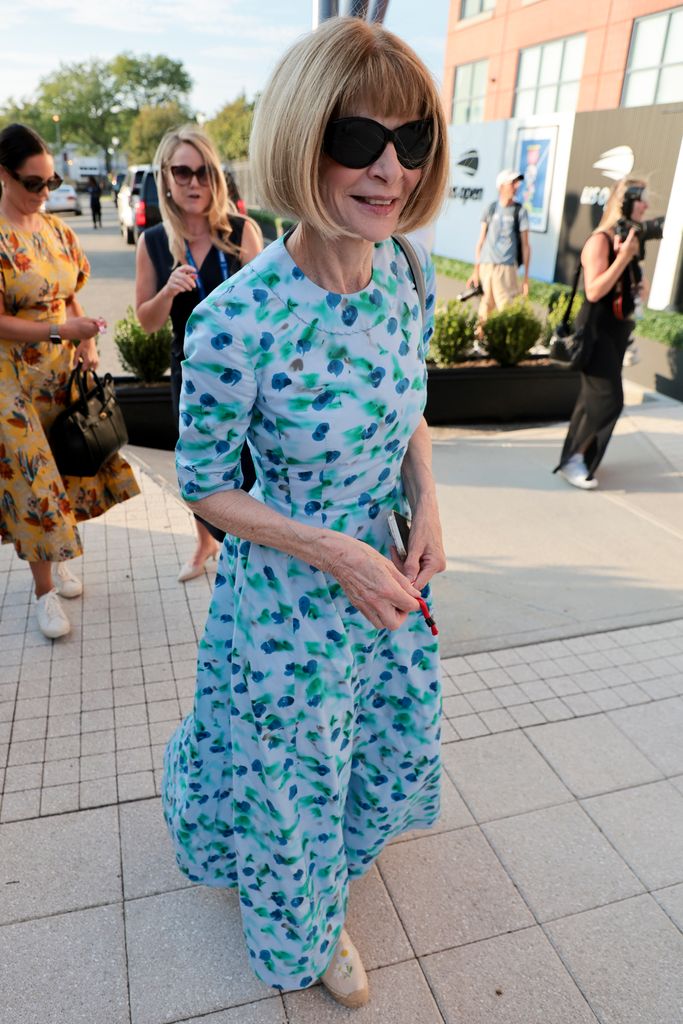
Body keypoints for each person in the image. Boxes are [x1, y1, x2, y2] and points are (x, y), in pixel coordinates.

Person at [162, 16, 448, 1009]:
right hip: (288, 599)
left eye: (408, 142)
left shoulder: (407, 274)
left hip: (383, 575)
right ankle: (307, 923)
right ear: (300, 138)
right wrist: (334, 550)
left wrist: (427, 506)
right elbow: (200, 483)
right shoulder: (235, 319)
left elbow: (409, 399)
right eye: (355, 140)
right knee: (292, 786)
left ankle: (329, 874)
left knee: (382, 741)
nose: (387, 169)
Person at [0, 123, 139, 638]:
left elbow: (73, 290)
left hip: (61, 373)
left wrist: (85, 341)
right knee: (34, 479)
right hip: (12, 379)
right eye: (32, 183)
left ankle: (59, 561)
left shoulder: (57, 230)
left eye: (50, 183)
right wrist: (61, 328)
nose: (42, 193)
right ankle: (44, 593)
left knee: (69, 466)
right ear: (3, 175)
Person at [135, 125, 262, 581]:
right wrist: (168, 292)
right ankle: (206, 541)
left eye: (205, 172)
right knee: (199, 469)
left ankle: (249, 554)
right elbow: (146, 321)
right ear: (166, 177)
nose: (194, 183)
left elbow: (269, 315)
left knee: (248, 468)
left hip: (248, 376)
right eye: (183, 172)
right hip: (190, 375)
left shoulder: (242, 232)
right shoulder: (152, 242)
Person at [555, 178, 647, 490]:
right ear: (625, 203)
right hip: (595, 331)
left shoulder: (626, 240)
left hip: (615, 331)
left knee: (591, 399)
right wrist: (623, 257)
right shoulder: (600, 241)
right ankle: (575, 460)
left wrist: (635, 277)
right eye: (641, 199)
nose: (646, 205)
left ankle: (575, 458)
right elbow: (594, 291)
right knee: (609, 400)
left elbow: (624, 288)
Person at [467, 168, 531, 333]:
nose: (516, 186)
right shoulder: (491, 208)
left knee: (506, 306)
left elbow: (525, 245)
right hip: (487, 265)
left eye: (517, 183)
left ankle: (503, 344)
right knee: (485, 305)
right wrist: (476, 270)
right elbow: (481, 241)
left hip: (507, 267)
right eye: (512, 183)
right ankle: (480, 342)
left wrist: (525, 279)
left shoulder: (520, 211)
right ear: (501, 186)